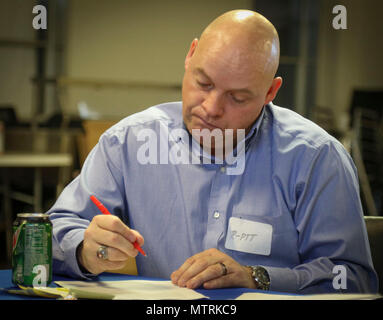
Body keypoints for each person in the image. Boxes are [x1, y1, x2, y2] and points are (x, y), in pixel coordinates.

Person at [47, 9, 378, 294]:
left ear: (270, 92)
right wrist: (83, 250)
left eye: (237, 97)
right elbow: (48, 236)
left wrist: (258, 278)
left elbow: (353, 278)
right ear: (190, 55)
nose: (211, 108)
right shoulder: (128, 144)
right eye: (203, 83)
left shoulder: (316, 159)